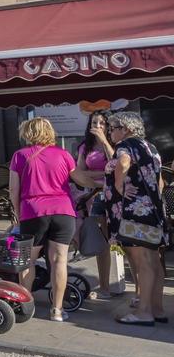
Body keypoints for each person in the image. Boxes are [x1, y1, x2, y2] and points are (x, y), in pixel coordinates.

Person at [9, 117, 77, 322]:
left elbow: (13, 190)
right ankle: (57, 310)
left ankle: (24, 306)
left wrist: (17, 215)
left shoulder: (20, 155)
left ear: (28, 134)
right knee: (59, 261)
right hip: (64, 211)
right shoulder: (64, 154)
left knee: (27, 260)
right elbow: (76, 178)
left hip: (33, 211)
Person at [105, 112, 167, 326]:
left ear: (126, 129)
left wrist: (120, 186)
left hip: (135, 212)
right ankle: (157, 309)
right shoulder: (151, 147)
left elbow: (122, 163)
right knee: (154, 263)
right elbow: (161, 183)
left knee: (144, 263)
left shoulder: (126, 146)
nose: (110, 132)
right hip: (153, 211)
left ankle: (144, 312)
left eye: (113, 128)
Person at [74, 110, 118, 300]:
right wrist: (102, 175)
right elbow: (78, 173)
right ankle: (105, 287)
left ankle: (139, 291)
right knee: (103, 242)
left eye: (101, 123)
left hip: (115, 197)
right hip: (94, 196)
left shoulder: (116, 143)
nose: (97, 126)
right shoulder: (86, 146)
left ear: (108, 126)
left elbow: (117, 165)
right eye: (94, 123)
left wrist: (105, 142)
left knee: (123, 243)